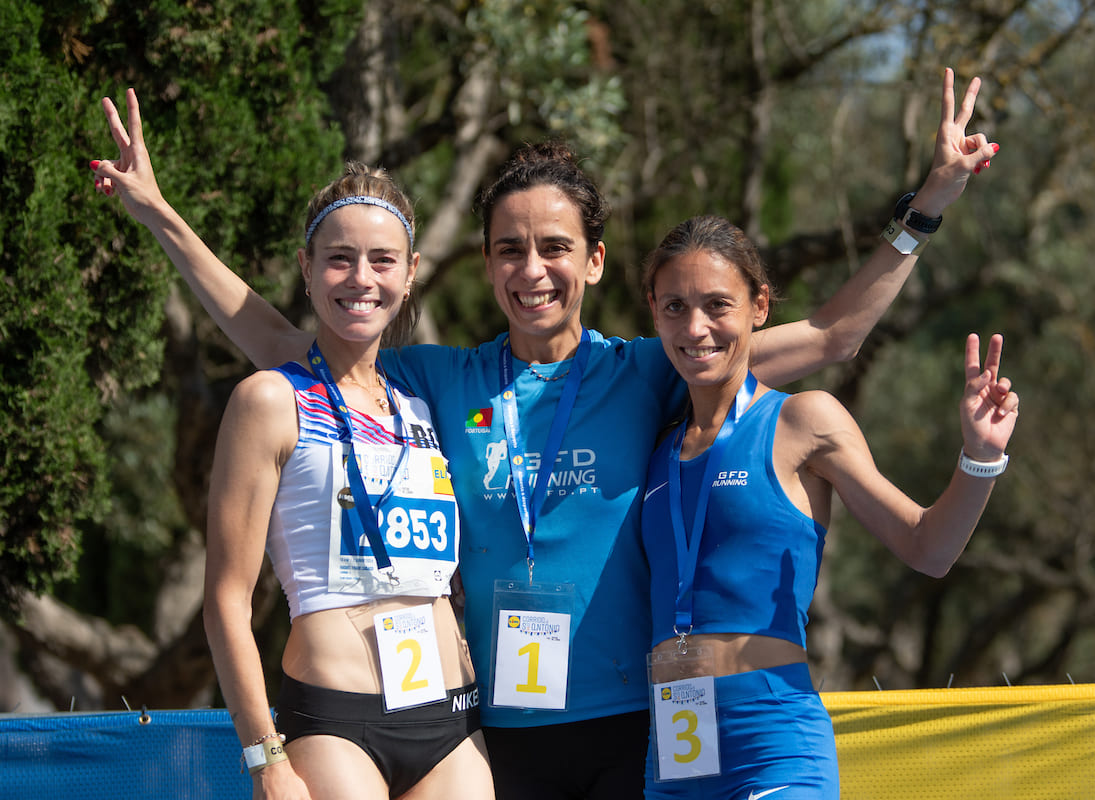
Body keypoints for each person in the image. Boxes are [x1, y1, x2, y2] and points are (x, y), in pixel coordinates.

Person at [91, 67, 997, 799]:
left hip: (634, 732)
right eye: (509, 249)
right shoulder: (439, 381)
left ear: (594, 261)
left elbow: (835, 333)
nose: (534, 270)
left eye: (555, 248)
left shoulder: (650, 366)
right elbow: (289, 344)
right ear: (484, 264)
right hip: (491, 737)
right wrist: (163, 219)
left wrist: (929, 204)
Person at [638, 215, 1018, 798]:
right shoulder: (655, 446)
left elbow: (928, 547)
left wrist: (979, 456)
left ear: (759, 306)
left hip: (772, 742)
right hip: (674, 756)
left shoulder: (802, 421)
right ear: (653, 310)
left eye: (718, 305)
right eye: (675, 307)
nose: (697, 327)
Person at [197, 161, 493, 799]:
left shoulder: (424, 400)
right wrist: (265, 760)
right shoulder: (270, 401)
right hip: (337, 724)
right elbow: (225, 600)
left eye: (383, 260)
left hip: (451, 722)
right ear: (306, 270)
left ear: (410, 275)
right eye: (339, 258)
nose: (362, 278)